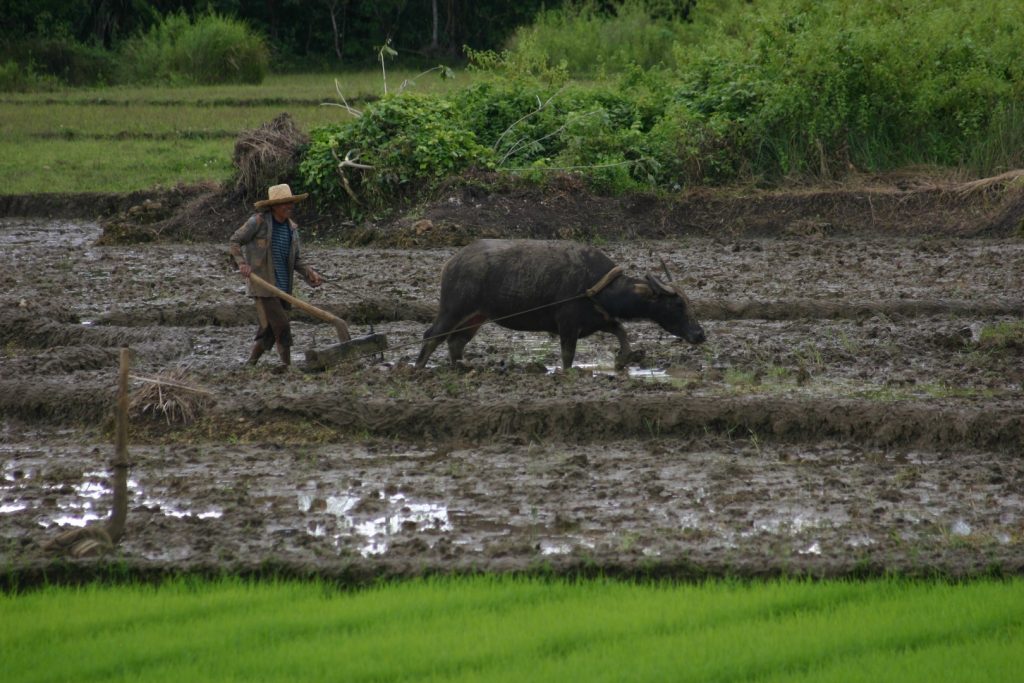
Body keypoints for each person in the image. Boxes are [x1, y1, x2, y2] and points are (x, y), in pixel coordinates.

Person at [229, 183, 323, 368]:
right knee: (282, 325)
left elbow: (296, 260)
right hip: (264, 286)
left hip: (283, 287)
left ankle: (250, 364)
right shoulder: (258, 222)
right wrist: (242, 263)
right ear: (273, 206)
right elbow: (234, 241)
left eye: (290, 203)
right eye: (284, 203)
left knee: (270, 330)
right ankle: (287, 367)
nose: (289, 207)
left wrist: (309, 273)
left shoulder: (292, 229)